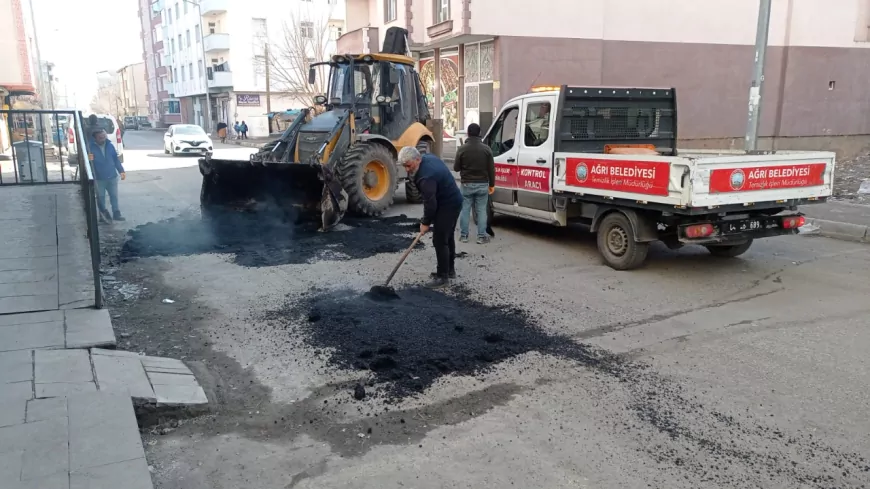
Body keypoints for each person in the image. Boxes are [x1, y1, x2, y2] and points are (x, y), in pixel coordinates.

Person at [398, 146, 463, 288]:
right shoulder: (428, 158)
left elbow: (430, 204)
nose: (407, 170)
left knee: (440, 239)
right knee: (448, 236)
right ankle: (449, 270)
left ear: (417, 159)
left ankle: (442, 277)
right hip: (450, 199)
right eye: (404, 166)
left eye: (408, 166)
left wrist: (425, 222)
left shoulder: (426, 177)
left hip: (448, 204)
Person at [453, 123, 495, 244]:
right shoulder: (487, 149)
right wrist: (492, 184)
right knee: (481, 210)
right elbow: (491, 169)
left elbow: (456, 168)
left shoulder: (462, 149)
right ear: (479, 133)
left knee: (465, 209)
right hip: (483, 184)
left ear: (468, 133)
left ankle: (464, 236)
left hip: (466, 184)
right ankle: (481, 236)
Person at [88, 128, 126, 223]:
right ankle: (103, 215)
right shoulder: (90, 147)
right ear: (95, 138)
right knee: (101, 197)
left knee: (114, 196)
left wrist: (121, 171)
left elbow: (115, 159)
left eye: (104, 136)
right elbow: (87, 164)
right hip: (99, 178)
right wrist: (89, 159)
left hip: (112, 175)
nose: (103, 138)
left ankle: (116, 213)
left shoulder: (110, 145)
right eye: (100, 137)